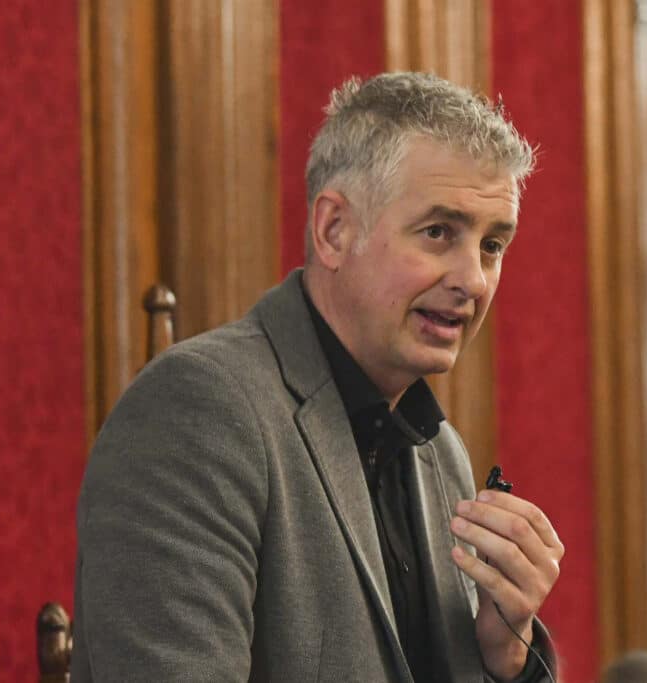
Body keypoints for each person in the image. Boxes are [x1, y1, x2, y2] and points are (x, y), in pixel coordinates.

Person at [71, 71, 563, 682]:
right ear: (334, 230)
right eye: (439, 233)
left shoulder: (442, 453)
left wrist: (505, 658)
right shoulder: (195, 411)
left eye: (491, 246)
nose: (474, 280)